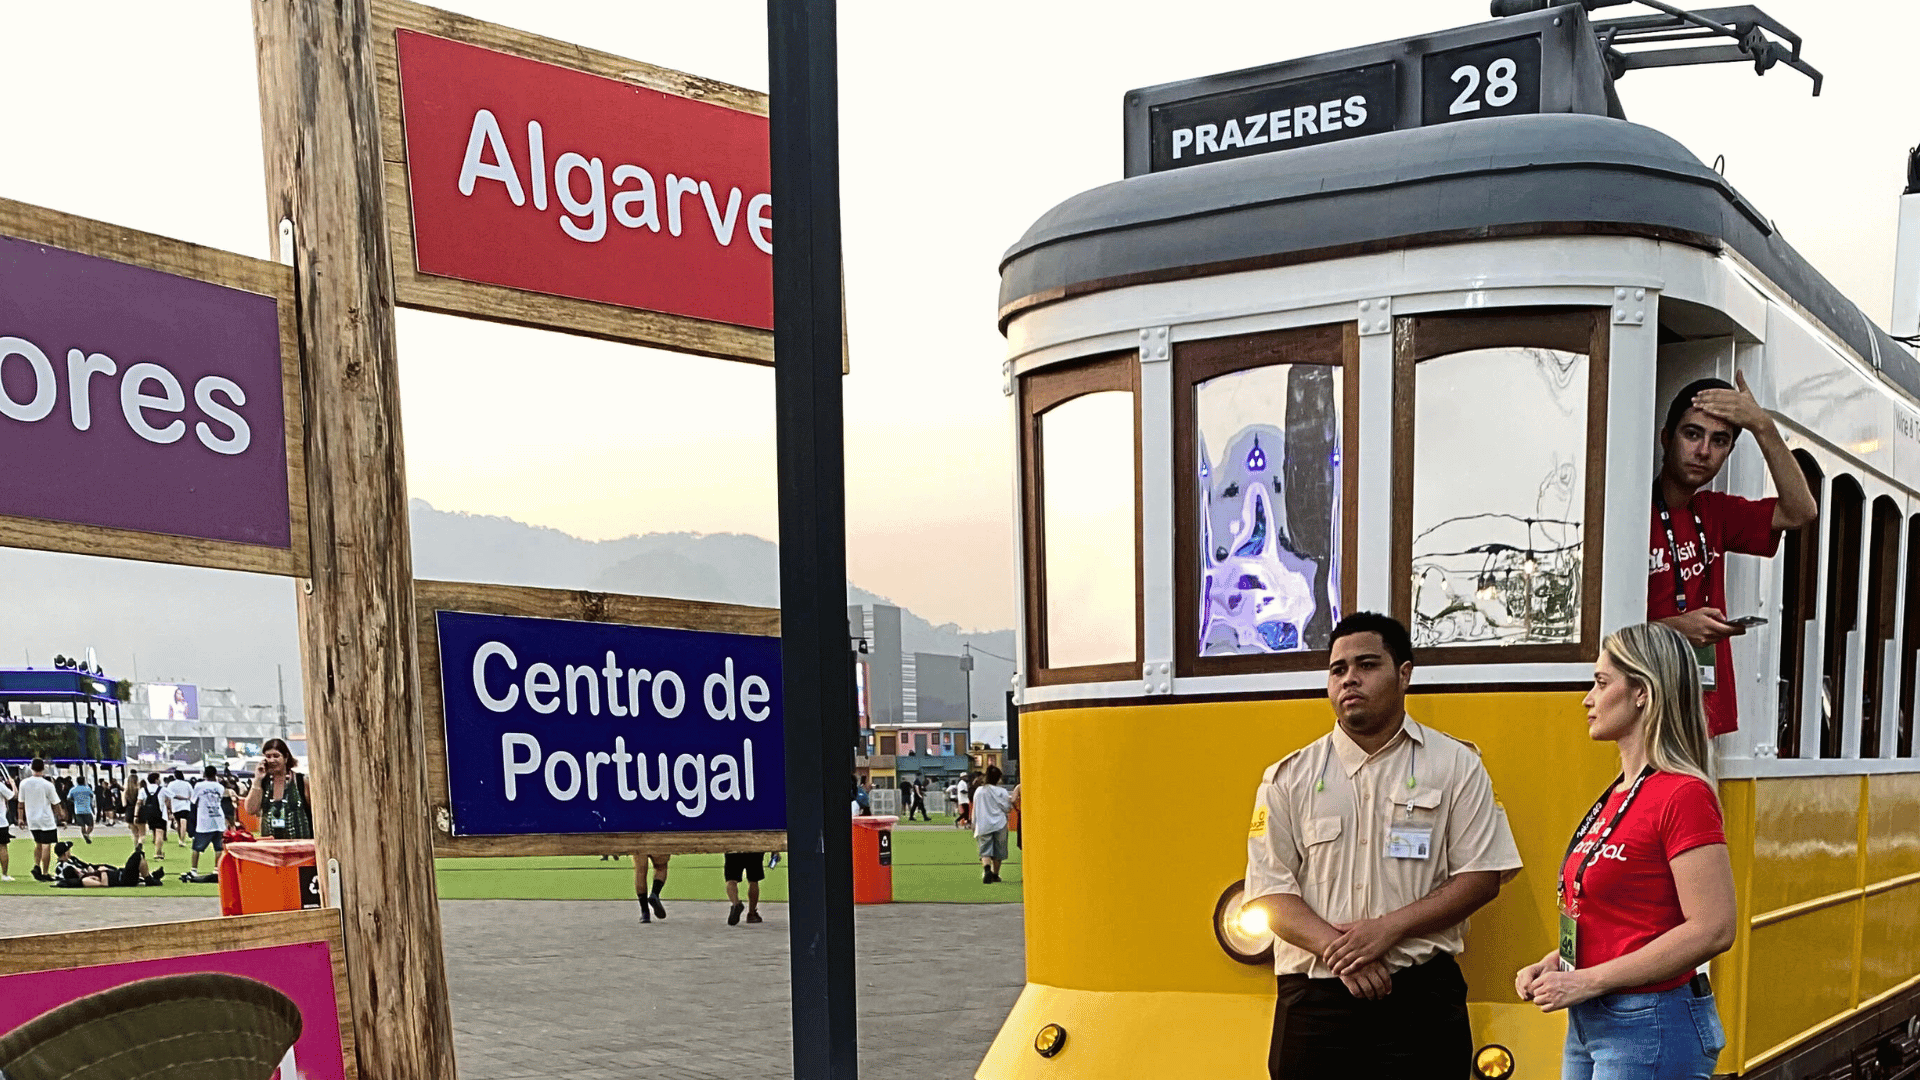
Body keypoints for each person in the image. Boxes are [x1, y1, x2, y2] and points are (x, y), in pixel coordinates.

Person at [1243, 613, 1523, 1080]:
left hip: (1419, 1001)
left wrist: (1388, 931)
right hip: (1315, 1003)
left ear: (1404, 674)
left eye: (1367, 664)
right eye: (1338, 669)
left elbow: (1482, 876)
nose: (1350, 678)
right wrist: (1343, 952)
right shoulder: (1287, 778)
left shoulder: (1456, 766)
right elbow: (1271, 892)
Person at [1515, 622, 1736, 1080]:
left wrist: (1586, 980)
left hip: (1651, 1021)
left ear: (1642, 692)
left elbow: (1714, 929)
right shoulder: (1620, 795)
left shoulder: (1683, 795)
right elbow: (1626, 921)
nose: (1587, 699)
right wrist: (1558, 964)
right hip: (1592, 1019)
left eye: (1600, 682)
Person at [1649, 374, 1817, 736]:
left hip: (1701, 712)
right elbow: (1604, 631)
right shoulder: (1629, 513)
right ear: (1666, 437)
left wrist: (1762, 425)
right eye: (1692, 434)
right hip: (1643, 707)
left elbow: (1801, 511)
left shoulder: (1715, 511)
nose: (1703, 451)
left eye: (1719, 441)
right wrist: (1673, 630)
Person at [243, 739, 314, 840]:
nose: (272, 760)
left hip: (300, 847)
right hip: (270, 847)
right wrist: (257, 780)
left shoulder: (300, 782)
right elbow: (250, 810)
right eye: (268, 756)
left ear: (285, 757)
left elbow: (316, 812)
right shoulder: (263, 783)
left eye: (276, 756)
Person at [52, 840, 165, 888]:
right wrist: (101, 872)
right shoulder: (66, 868)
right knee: (138, 855)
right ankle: (149, 879)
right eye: (68, 850)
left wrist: (100, 869)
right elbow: (98, 882)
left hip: (116, 875)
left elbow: (87, 866)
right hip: (120, 879)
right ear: (65, 853)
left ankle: (149, 876)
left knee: (134, 860)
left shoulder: (73, 860)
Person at [19, 759, 62, 882]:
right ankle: (45, 872)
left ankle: (37, 866)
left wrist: (21, 818)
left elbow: (20, 803)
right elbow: (55, 803)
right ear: (43, 769)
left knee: (38, 844)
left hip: (32, 819)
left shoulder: (24, 783)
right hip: (45, 818)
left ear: (32, 768)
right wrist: (61, 816)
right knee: (46, 846)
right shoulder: (47, 785)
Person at [971, 765, 1013, 884]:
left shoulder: (979, 791)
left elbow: (975, 808)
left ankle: (986, 868)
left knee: (985, 849)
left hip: (984, 824)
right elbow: (1007, 808)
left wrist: (973, 823)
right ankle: (995, 874)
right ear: (998, 778)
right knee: (998, 851)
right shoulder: (1002, 792)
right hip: (1000, 823)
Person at [189, 766, 228, 873]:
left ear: (204, 774)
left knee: (196, 847)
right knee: (218, 847)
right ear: (215, 774)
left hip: (204, 821)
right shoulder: (220, 787)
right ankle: (216, 869)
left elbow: (193, 801)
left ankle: (194, 870)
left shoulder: (199, 786)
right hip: (218, 819)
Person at [723, 852, 766, 925]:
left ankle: (736, 904)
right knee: (753, 881)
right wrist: (775, 852)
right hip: (754, 851)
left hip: (733, 849)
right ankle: (752, 914)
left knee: (731, 881)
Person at [631, 853, 670, 923]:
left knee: (640, 872)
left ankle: (645, 912)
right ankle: (655, 893)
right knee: (661, 867)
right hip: (659, 843)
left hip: (639, 843)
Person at [164, 769, 194, 847]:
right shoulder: (187, 784)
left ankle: (180, 837)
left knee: (178, 823)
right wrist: (188, 798)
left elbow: (168, 795)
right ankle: (182, 839)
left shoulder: (171, 784)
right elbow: (192, 794)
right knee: (183, 822)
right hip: (185, 805)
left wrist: (168, 806)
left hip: (175, 806)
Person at [69, 773, 95, 844]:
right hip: (87, 809)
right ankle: (87, 834)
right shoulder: (87, 788)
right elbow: (92, 795)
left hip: (77, 810)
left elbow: (68, 798)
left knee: (82, 826)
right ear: (84, 781)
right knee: (90, 825)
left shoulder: (73, 789)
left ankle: (85, 836)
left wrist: (74, 801)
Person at [0, 764, 15, 882]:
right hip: (0, 822)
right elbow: (12, 795)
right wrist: (12, 783)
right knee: (2, 847)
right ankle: (4, 874)